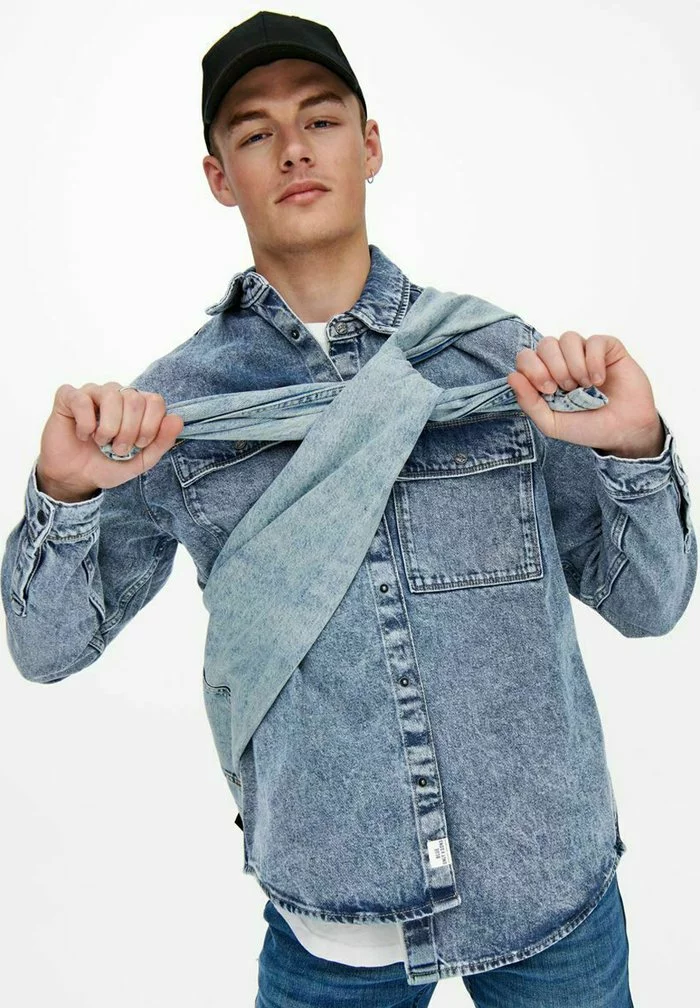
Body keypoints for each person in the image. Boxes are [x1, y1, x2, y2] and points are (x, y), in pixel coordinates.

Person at [2, 10, 696, 1007]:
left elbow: (652, 605)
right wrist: (65, 495)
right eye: (255, 132)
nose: (294, 148)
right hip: (333, 924)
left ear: (369, 145)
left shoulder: (498, 359)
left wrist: (633, 449)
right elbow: (45, 650)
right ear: (219, 177)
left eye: (320, 120)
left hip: (548, 889)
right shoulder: (174, 412)